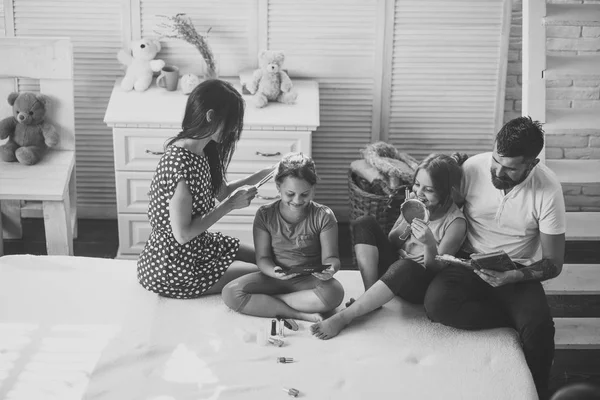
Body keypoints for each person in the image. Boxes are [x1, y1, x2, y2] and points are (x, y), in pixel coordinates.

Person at [423, 116, 566, 400]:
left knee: (539, 330)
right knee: (436, 305)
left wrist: (513, 276)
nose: (498, 172)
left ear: (531, 164)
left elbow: (553, 263)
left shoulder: (548, 191)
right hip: (469, 258)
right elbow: (449, 212)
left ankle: (538, 392)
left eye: (510, 168)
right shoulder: (473, 168)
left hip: (517, 268)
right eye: (496, 160)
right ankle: (510, 321)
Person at [137, 79, 275, 299]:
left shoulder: (205, 150)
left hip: (199, 247)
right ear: (211, 116)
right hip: (174, 268)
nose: (232, 131)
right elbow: (182, 235)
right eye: (230, 123)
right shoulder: (179, 164)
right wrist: (231, 205)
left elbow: (221, 192)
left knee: (268, 257)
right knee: (266, 273)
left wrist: (266, 173)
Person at [311, 153, 468, 339]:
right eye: (417, 184)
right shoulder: (414, 204)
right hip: (396, 266)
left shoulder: (456, 223)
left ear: (446, 192)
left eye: (429, 190)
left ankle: (345, 317)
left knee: (406, 265)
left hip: (418, 280)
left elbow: (436, 268)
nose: (419, 193)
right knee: (364, 222)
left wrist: (429, 243)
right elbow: (393, 242)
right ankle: (371, 298)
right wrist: (406, 223)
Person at [222, 152, 345, 322]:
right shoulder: (265, 215)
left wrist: (331, 269)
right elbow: (263, 258)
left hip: (308, 280)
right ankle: (296, 313)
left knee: (335, 293)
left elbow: (331, 258)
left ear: (313, 188)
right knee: (230, 292)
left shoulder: (324, 215)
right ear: (278, 187)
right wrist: (274, 271)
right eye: (290, 194)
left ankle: (272, 302)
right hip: (274, 277)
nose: (297, 200)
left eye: (305, 194)